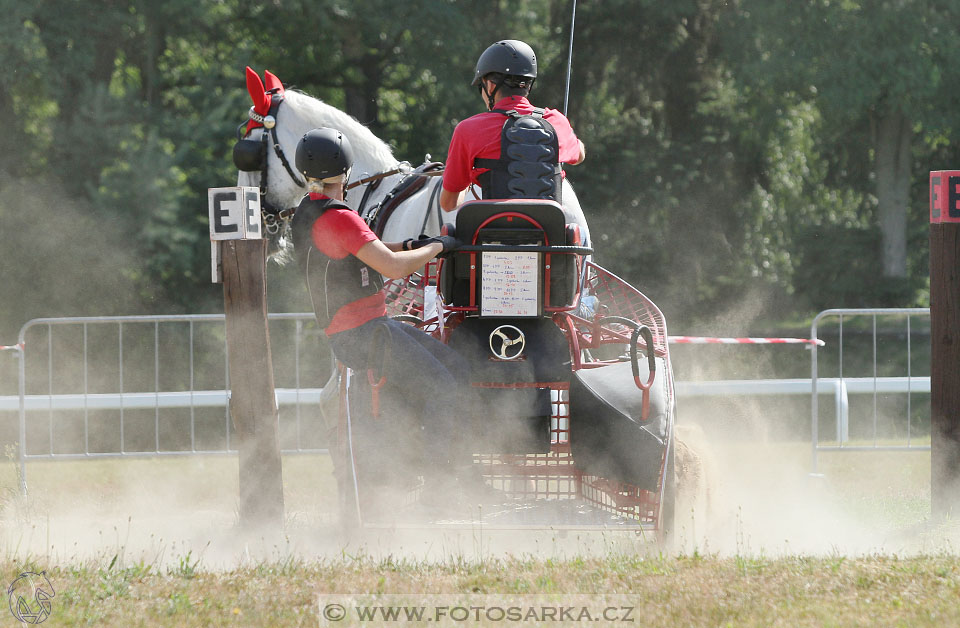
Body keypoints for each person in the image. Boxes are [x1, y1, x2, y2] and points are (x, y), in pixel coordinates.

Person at [290, 127, 477, 505]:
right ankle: (438, 488)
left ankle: (452, 468)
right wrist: (438, 246)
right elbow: (391, 267)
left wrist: (412, 245)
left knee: (456, 368)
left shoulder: (308, 213)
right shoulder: (341, 216)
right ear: (344, 172)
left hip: (359, 330)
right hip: (364, 333)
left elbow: (366, 248)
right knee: (442, 385)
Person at [440, 39, 586, 212]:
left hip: (493, 228)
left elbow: (448, 204)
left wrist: (465, 181)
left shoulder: (468, 129)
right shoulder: (555, 120)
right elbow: (580, 156)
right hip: (548, 229)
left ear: (490, 85)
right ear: (528, 84)